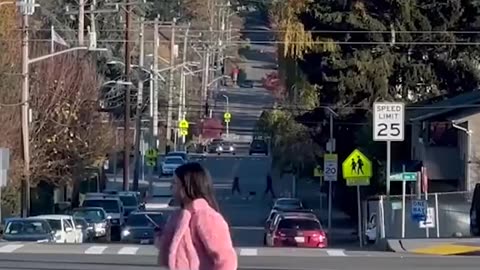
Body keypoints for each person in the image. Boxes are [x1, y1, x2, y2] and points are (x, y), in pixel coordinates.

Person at [155, 162, 237, 270]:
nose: (171, 187)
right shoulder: (178, 216)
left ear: (187, 187)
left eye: (175, 183)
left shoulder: (206, 216)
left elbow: (226, 260)